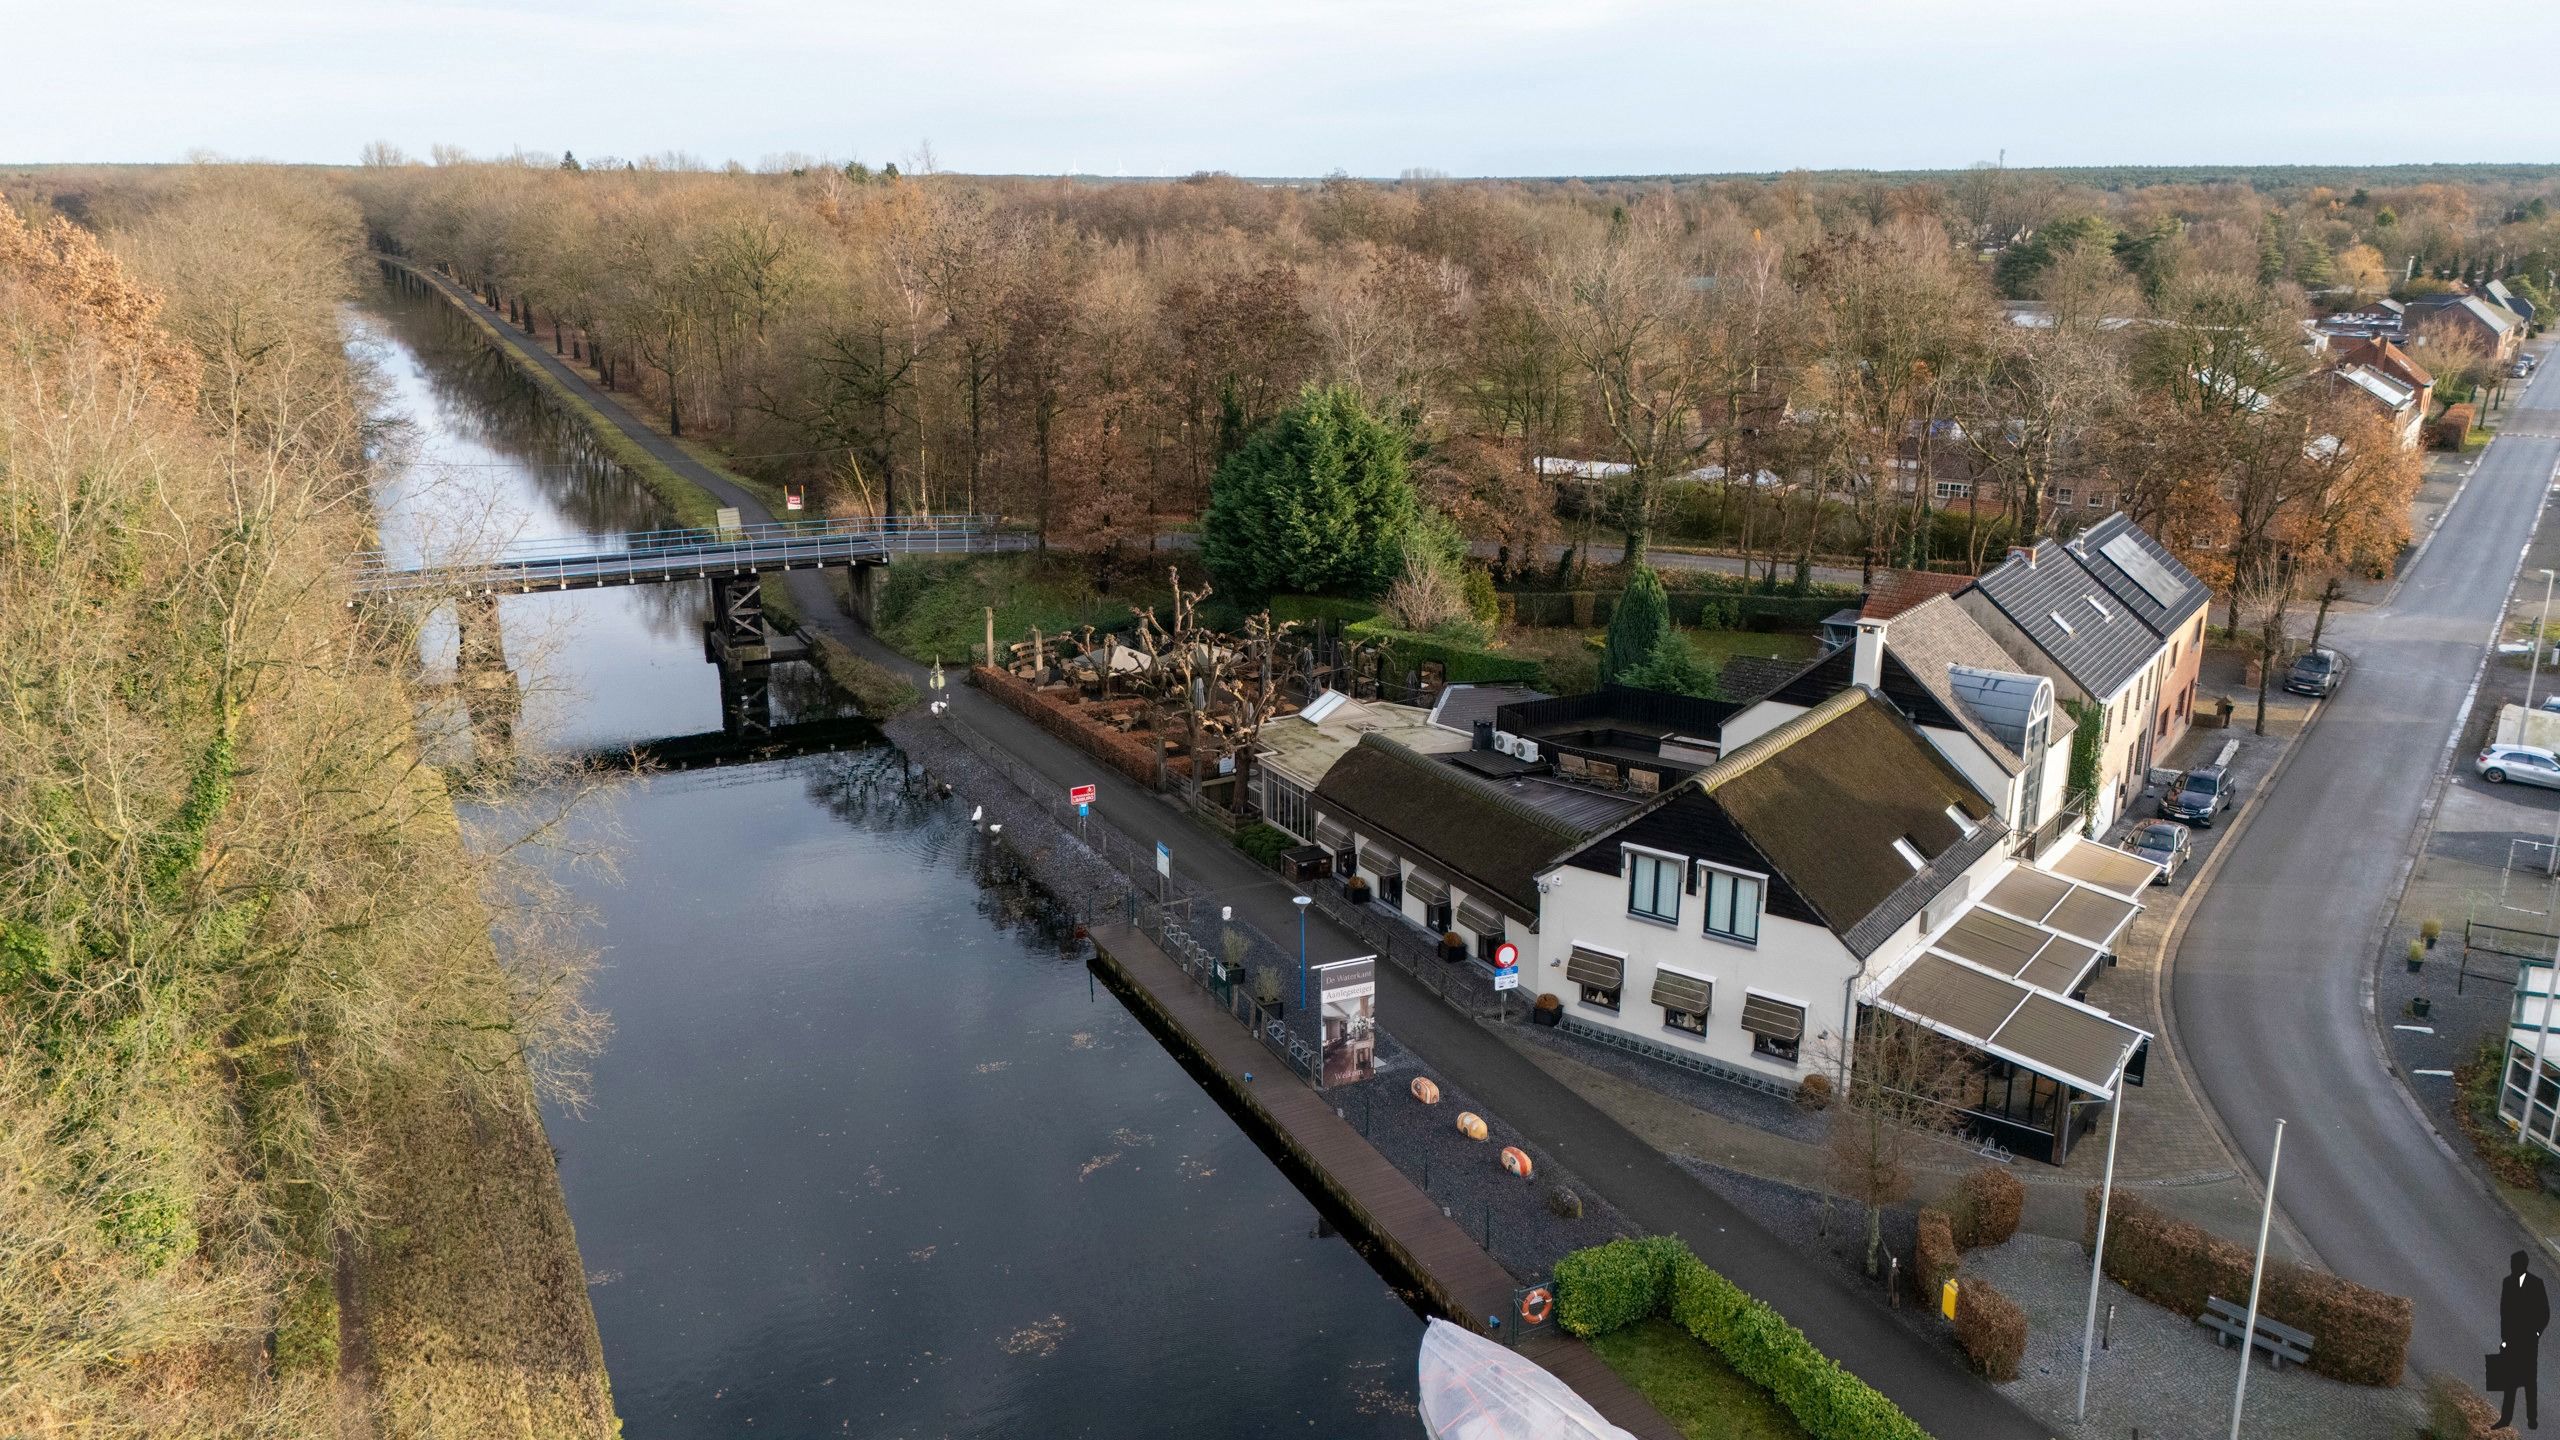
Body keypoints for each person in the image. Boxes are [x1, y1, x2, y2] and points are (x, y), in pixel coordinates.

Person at [2501, 1249, 2550, 1430]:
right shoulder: (2508, 1283)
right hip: (2512, 1339)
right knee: (2510, 1379)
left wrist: (2537, 1332)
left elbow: (2545, 1312)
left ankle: (2532, 1418)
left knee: (2529, 1380)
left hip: (2529, 1341)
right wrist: (2504, 1338)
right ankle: (2506, 1417)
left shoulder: (2536, 1284)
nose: (2513, 1267)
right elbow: (2504, 1312)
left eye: (2515, 1264)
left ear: (2523, 1265)